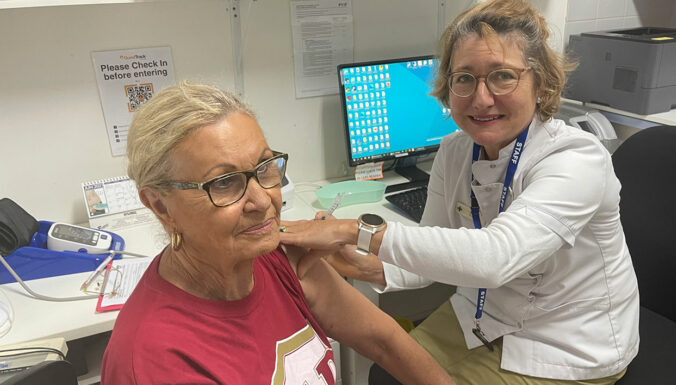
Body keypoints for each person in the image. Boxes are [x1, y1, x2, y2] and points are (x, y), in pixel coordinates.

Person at [279, 0, 640, 384]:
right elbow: (433, 245)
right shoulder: (455, 151)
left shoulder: (577, 159)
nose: (480, 98)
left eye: (502, 76)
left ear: (540, 83)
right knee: (387, 376)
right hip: (482, 314)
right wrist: (359, 261)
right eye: (464, 78)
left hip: (566, 341)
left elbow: (495, 258)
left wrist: (354, 231)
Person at [100, 82, 456, 385]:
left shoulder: (276, 256)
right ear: (160, 206)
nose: (263, 200)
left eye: (264, 167)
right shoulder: (155, 359)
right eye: (224, 183)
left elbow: (385, 342)